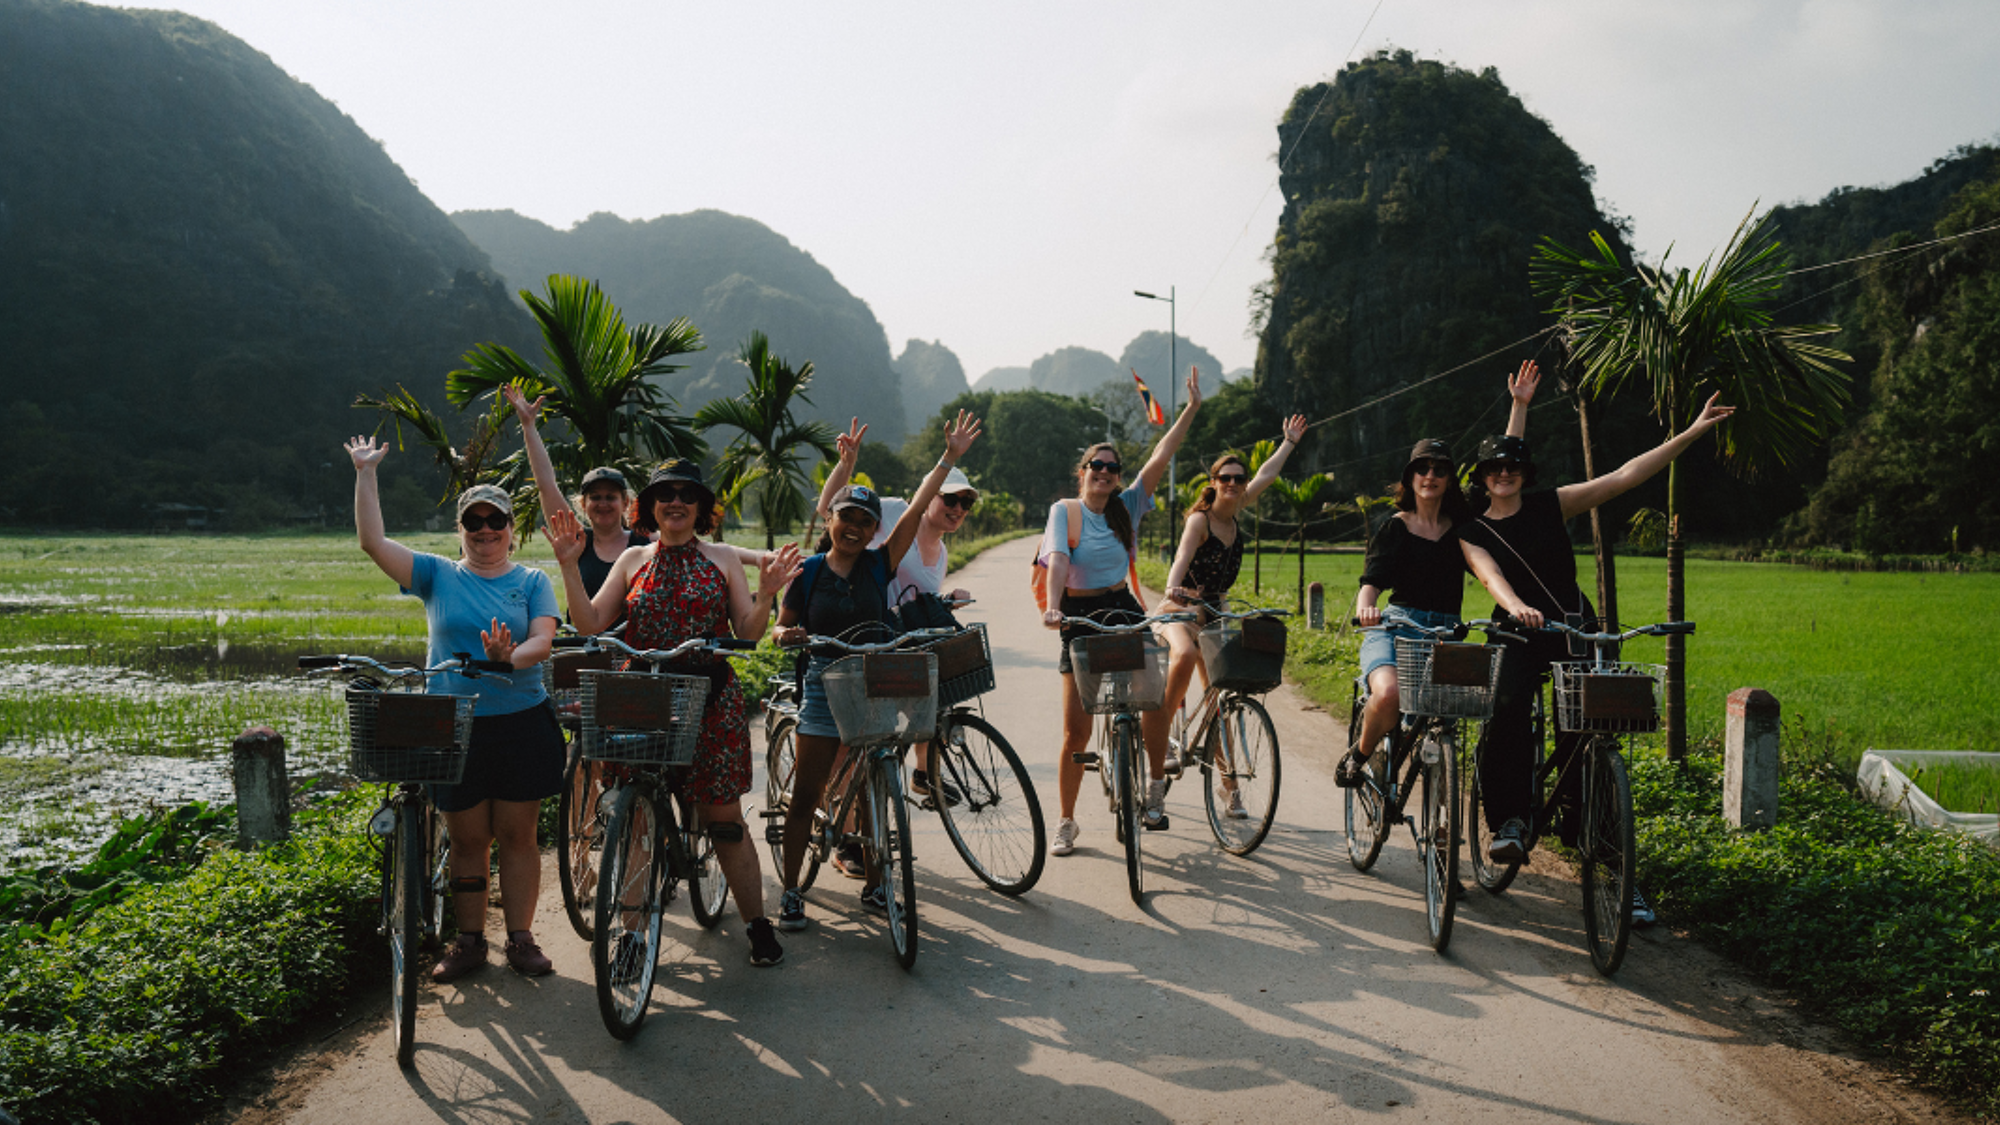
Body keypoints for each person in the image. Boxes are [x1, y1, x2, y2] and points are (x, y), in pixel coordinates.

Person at [521, 412, 800, 970]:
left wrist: (767, 593)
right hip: (642, 701)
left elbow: (745, 631)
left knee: (723, 818)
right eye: (665, 495)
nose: (676, 502)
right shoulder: (632, 559)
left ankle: (757, 923)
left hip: (709, 700)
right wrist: (570, 566)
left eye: (686, 495)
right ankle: (631, 938)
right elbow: (593, 623)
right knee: (636, 819)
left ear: (701, 506)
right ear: (649, 507)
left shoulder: (722, 558)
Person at [1461, 362, 1733, 927]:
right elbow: (1490, 576)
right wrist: (1516, 609)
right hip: (1516, 628)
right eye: (1494, 469)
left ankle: (1613, 869)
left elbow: (1625, 475)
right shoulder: (1474, 528)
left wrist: (1693, 431)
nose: (1504, 474)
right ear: (1482, 478)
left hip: (1572, 625)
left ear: (1522, 472)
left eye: (1512, 466)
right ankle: (1509, 821)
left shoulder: (1549, 505)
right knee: (1507, 707)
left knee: (1590, 732)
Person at [344, 435, 565, 983]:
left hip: (521, 720)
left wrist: (510, 657)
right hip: (453, 724)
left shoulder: (532, 581)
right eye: (474, 522)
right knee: (467, 839)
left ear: (512, 529)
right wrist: (366, 473)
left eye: (496, 521)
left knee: (518, 835)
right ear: (460, 531)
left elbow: (544, 641)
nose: (486, 531)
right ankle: (469, 942)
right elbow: (373, 543)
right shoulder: (437, 575)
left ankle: (520, 938)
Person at [773, 411, 984, 933]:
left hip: (876, 684)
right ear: (831, 521)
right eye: (846, 518)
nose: (855, 528)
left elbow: (916, 507)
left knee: (876, 783)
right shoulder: (809, 572)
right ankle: (793, 889)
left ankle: (874, 882)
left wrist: (949, 461)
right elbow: (781, 625)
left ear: (874, 531)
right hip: (825, 684)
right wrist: (786, 635)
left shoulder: (880, 563)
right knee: (807, 794)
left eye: (865, 523)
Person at [1041, 368, 1202, 855]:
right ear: (1083, 472)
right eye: (1097, 466)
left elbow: (1161, 455)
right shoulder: (1064, 511)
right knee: (1077, 727)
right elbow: (1058, 562)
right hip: (1078, 613)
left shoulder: (1127, 505)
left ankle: (1153, 788)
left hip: (1122, 606)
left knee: (1147, 697)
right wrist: (1052, 607)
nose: (1105, 472)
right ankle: (1067, 821)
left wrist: (1191, 409)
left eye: (1112, 467)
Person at [1332, 428, 1541, 790]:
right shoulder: (1394, 529)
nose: (1430, 476)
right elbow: (1372, 583)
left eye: (1439, 470)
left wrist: (1519, 404)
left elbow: (1502, 466)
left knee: (1450, 716)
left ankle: (1443, 813)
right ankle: (1360, 754)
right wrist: (1368, 612)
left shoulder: (1461, 527)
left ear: (1449, 479)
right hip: (1395, 627)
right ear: (1409, 478)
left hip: (1446, 633)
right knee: (1389, 693)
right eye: (1422, 469)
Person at [1149, 413, 1309, 810]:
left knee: (1222, 696)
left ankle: (1230, 786)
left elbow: (1268, 475)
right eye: (1227, 479)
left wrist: (1288, 442)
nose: (1235, 484)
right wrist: (1174, 586)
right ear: (1214, 484)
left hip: (1215, 612)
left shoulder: (1238, 510)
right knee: (1184, 656)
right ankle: (1162, 736)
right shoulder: (1201, 520)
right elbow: (1183, 555)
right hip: (1180, 608)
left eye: (1240, 479)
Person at [814, 417, 977, 608]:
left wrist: (947, 600)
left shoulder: (942, 555)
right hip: (854, 623)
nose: (958, 508)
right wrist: (846, 463)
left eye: (966, 502)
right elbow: (828, 509)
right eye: (950, 499)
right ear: (928, 495)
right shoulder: (894, 511)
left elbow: (916, 606)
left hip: (893, 636)